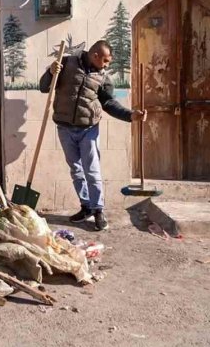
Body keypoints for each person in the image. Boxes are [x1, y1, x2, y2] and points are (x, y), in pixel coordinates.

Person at [40, 40, 146, 231]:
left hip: (88, 129)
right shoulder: (66, 63)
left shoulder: (103, 77)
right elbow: (44, 87)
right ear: (95, 55)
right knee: (76, 169)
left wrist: (130, 115)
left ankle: (98, 210)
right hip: (64, 128)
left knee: (92, 171)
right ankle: (86, 206)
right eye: (105, 61)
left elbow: (109, 104)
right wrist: (50, 72)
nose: (106, 65)